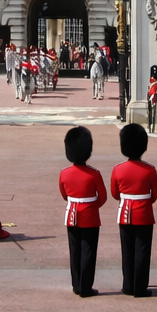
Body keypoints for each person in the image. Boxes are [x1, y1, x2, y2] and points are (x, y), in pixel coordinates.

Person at [112, 123, 157, 297]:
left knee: (127, 250)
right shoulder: (150, 170)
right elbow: (155, 194)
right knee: (142, 250)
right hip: (144, 213)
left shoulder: (118, 169)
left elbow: (115, 194)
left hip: (125, 213)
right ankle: (140, 287)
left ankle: (128, 285)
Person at [59, 127, 106, 297]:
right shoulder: (94, 174)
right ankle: (86, 287)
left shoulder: (64, 173)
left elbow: (64, 195)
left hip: (72, 215)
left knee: (75, 251)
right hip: (90, 216)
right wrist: (91, 207)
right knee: (88, 251)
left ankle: (76, 285)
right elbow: (103, 197)